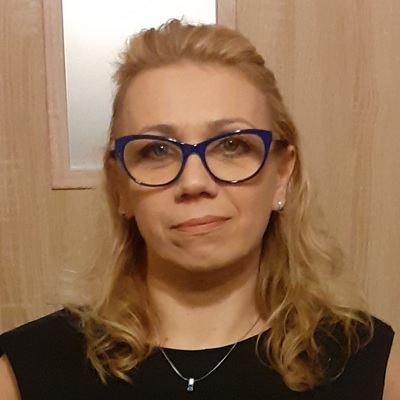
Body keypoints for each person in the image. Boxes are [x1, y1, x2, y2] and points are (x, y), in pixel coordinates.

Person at [0, 19, 399, 400]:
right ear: (119, 186)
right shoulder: (25, 373)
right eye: (157, 150)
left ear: (281, 176)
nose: (194, 182)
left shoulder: (374, 369)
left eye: (231, 145)